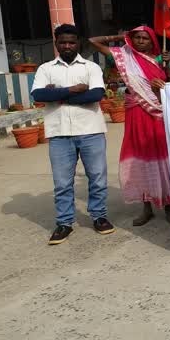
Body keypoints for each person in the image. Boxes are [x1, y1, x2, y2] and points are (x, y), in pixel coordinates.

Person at [31, 24, 114, 245]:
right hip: (59, 133)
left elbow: (96, 94)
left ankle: (99, 217)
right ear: (56, 43)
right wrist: (71, 90)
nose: (67, 46)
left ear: (78, 43)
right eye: (62, 42)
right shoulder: (45, 68)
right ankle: (64, 223)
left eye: (71, 42)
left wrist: (56, 95)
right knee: (62, 183)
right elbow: (38, 94)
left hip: (91, 131)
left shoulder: (91, 67)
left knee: (97, 178)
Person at [90, 27, 170, 226]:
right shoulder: (122, 56)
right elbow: (93, 40)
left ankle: (169, 205)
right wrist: (120, 37)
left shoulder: (159, 60)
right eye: (136, 37)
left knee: (162, 155)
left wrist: (167, 64)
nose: (140, 41)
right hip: (136, 111)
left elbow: (168, 83)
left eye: (145, 37)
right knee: (140, 156)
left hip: (158, 112)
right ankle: (146, 207)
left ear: (152, 40)